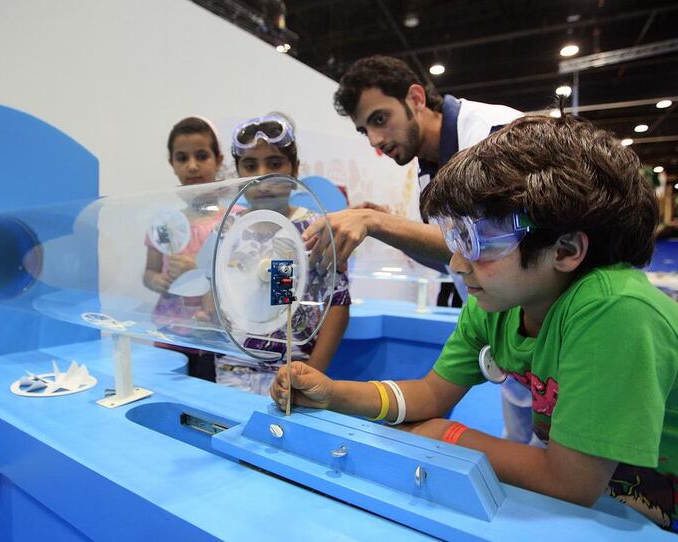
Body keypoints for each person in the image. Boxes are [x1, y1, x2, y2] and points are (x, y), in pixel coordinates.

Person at [272, 114, 678, 530]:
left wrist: (449, 437)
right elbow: (430, 394)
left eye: (479, 241)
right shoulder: (497, 304)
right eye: (455, 237)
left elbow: (570, 482)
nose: (457, 263)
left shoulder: (615, 310)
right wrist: (333, 394)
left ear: (566, 248)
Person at [304, 54, 533, 443]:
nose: (375, 140)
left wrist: (378, 223)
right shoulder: (428, 170)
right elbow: (454, 256)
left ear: (414, 98)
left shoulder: (493, 135)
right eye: (365, 131)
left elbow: (506, 244)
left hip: (550, 332)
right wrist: (387, 227)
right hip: (507, 333)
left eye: (379, 119)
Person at [214, 113, 351, 395]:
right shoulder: (227, 229)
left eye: (274, 163)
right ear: (237, 172)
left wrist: (312, 371)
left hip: (293, 371)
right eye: (250, 165)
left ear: (295, 168)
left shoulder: (314, 228)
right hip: (231, 368)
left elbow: (338, 303)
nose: (262, 176)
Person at [144, 116, 224, 382]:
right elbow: (149, 273)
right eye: (182, 158)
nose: (192, 166)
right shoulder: (164, 222)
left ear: (219, 159)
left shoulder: (232, 219)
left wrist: (198, 273)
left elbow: (239, 280)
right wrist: (160, 280)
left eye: (202, 156)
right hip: (171, 334)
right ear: (172, 163)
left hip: (215, 338)